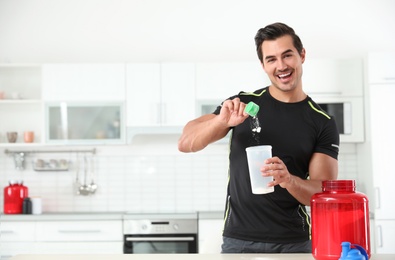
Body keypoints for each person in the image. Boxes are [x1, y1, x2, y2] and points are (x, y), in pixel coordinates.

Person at [178, 22, 339, 253]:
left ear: (302, 55)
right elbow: (185, 143)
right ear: (263, 65)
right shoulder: (241, 104)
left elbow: (323, 193)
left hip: (294, 243)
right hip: (238, 241)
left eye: (287, 55)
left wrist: (289, 179)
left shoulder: (322, 121)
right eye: (271, 59)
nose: (281, 66)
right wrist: (221, 121)